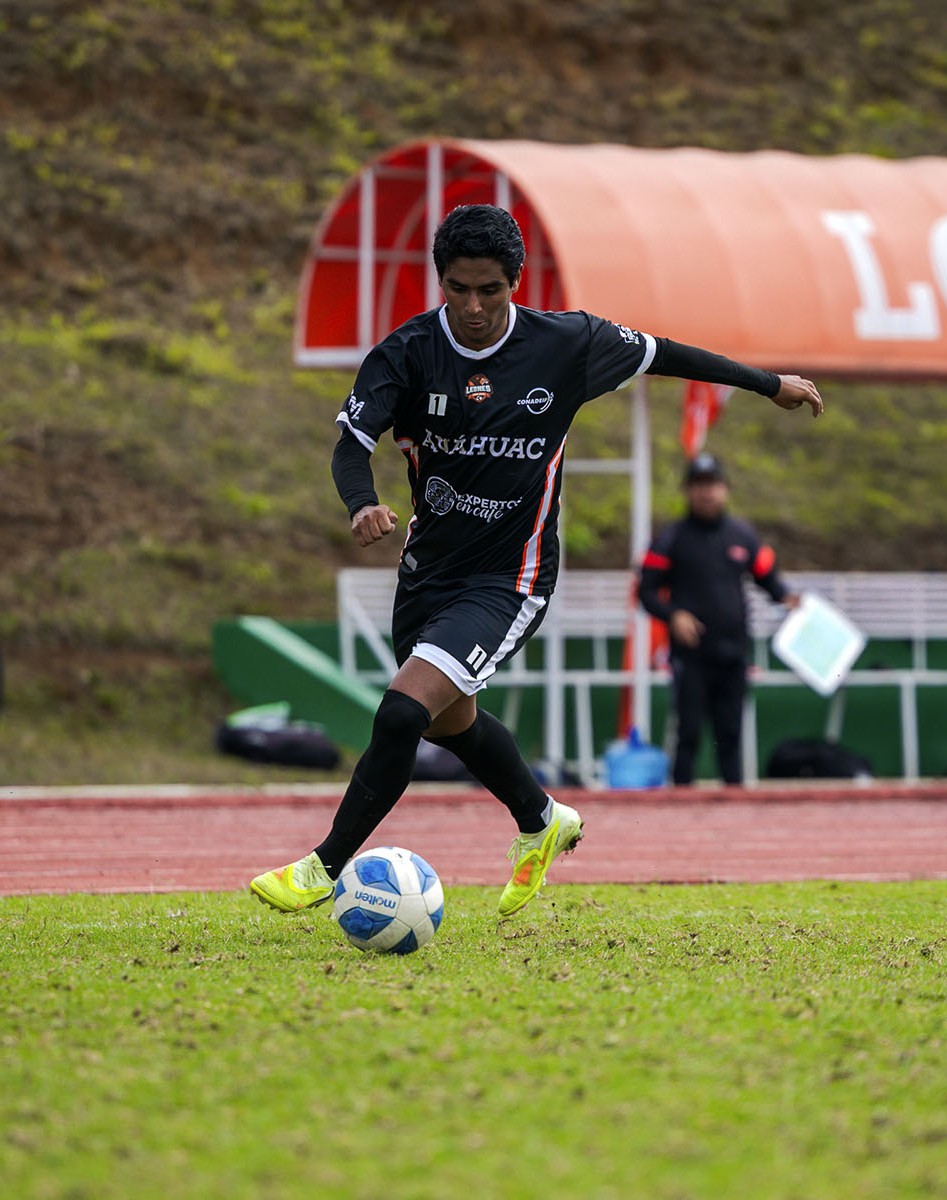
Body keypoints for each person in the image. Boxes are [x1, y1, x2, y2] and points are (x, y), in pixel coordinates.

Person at [249, 204, 823, 918]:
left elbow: (667, 354)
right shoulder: (407, 353)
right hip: (427, 575)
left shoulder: (567, 343)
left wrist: (768, 383)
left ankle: (323, 868)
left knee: (401, 713)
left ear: (515, 283)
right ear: (440, 281)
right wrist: (361, 502)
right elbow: (350, 446)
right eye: (458, 289)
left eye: (489, 289)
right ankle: (542, 818)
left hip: (510, 579)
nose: (473, 307)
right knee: (449, 724)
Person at [637, 453, 794, 786]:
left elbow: (768, 579)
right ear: (687, 491)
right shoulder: (670, 539)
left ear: (725, 489)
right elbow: (646, 591)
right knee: (688, 732)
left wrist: (788, 599)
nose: (706, 492)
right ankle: (680, 804)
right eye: (698, 485)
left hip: (734, 652)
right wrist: (674, 615)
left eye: (712, 484)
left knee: (731, 733)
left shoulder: (743, 536)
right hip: (691, 655)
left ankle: (734, 803)